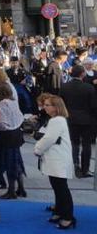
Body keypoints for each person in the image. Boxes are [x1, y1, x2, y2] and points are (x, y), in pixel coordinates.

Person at [34, 95, 76, 229]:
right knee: (58, 187)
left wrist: (37, 150)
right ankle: (59, 211)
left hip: (58, 159)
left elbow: (48, 139)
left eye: (47, 105)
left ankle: (68, 217)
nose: (44, 107)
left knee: (61, 188)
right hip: (56, 158)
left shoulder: (57, 120)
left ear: (56, 107)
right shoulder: (56, 120)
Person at [59, 65, 97, 178]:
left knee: (74, 143)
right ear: (82, 74)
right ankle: (85, 169)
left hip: (70, 118)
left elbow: (61, 104)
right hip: (87, 120)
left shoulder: (64, 87)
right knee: (86, 145)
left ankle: (75, 165)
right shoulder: (89, 88)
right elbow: (94, 106)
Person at [0, 83, 26, 200]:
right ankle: (21, 188)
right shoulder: (13, 102)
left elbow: (0, 122)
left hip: (7, 136)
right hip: (17, 133)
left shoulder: (1, 105)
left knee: (9, 163)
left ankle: (11, 191)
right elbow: (20, 116)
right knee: (17, 161)